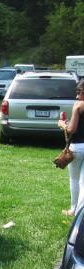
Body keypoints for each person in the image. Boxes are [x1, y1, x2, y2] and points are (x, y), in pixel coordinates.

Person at [58, 80, 84, 217]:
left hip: (78, 147)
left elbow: (72, 129)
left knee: (74, 180)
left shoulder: (78, 106)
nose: (77, 96)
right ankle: (81, 213)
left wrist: (62, 124)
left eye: (79, 92)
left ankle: (74, 210)